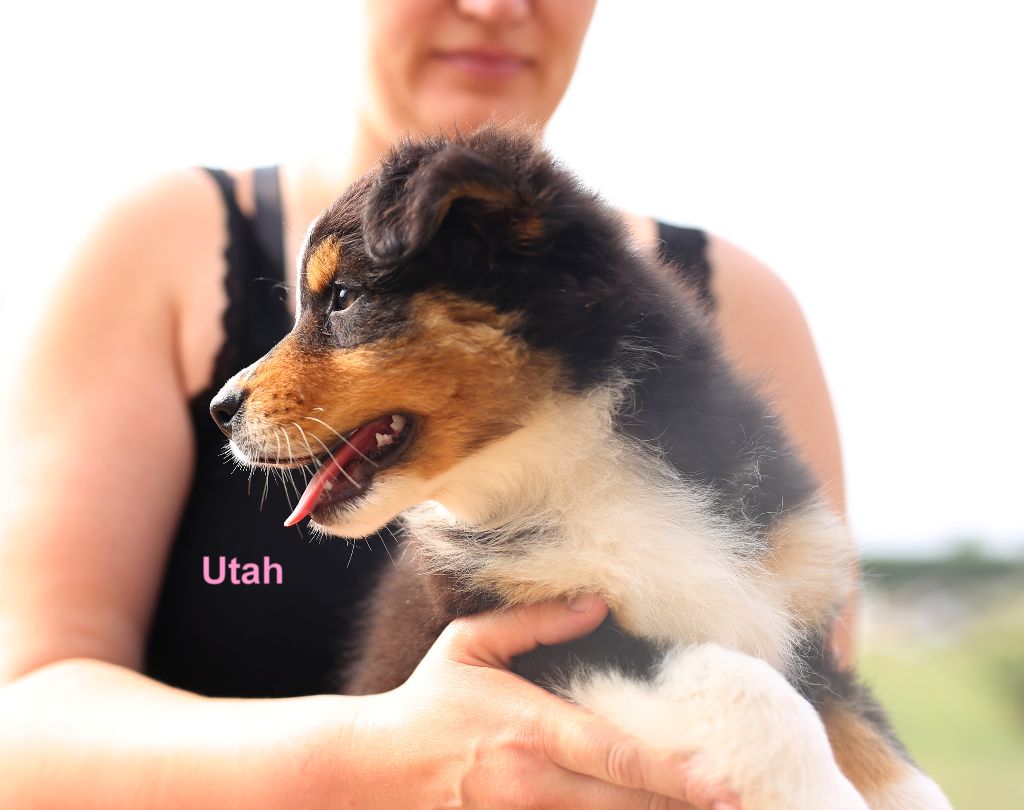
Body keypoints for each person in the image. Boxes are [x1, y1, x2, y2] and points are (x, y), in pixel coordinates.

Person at [0, 1, 853, 807]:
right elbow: (22, 721)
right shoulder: (157, 244)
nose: (494, 8)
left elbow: (816, 723)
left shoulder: (747, 305)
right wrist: (376, 760)